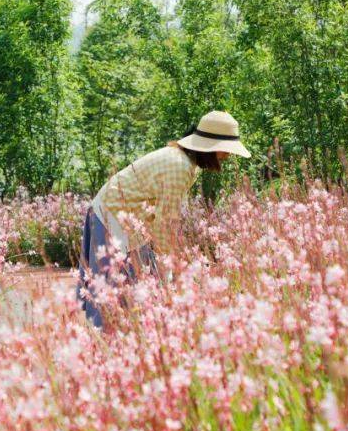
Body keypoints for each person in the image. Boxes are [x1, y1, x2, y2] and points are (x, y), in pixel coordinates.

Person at [77, 111, 251, 329]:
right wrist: (171, 266)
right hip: (113, 215)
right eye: (226, 149)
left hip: (126, 218)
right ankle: (106, 340)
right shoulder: (179, 166)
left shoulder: (183, 161)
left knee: (134, 289)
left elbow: (165, 219)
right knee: (115, 292)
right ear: (210, 147)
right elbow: (165, 223)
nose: (228, 155)